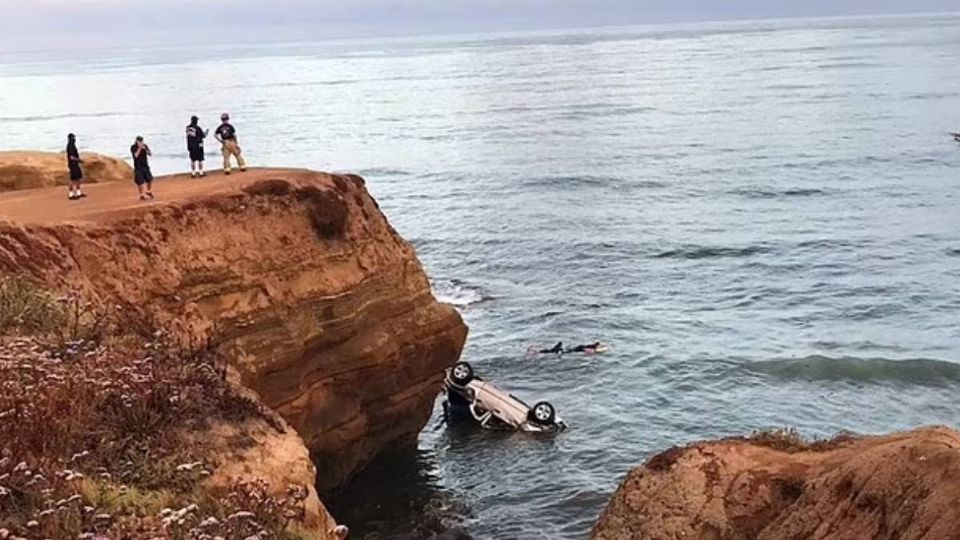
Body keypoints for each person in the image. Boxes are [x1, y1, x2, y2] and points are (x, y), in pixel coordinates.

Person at [130, 136, 154, 200]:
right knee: (139, 181)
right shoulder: (133, 147)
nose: (141, 142)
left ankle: (148, 191)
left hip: (145, 165)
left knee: (150, 179)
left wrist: (145, 149)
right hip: (138, 166)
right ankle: (141, 194)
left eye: (141, 141)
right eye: (139, 141)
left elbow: (150, 154)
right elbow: (135, 155)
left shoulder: (145, 145)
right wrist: (139, 149)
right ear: (136, 141)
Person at [65, 133, 86, 200]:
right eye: (73, 138)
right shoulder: (70, 146)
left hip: (76, 164)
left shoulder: (73, 145)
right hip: (72, 165)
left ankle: (78, 193)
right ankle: (71, 195)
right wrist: (79, 160)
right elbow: (71, 157)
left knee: (78, 178)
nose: (74, 139)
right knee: (72, 179)